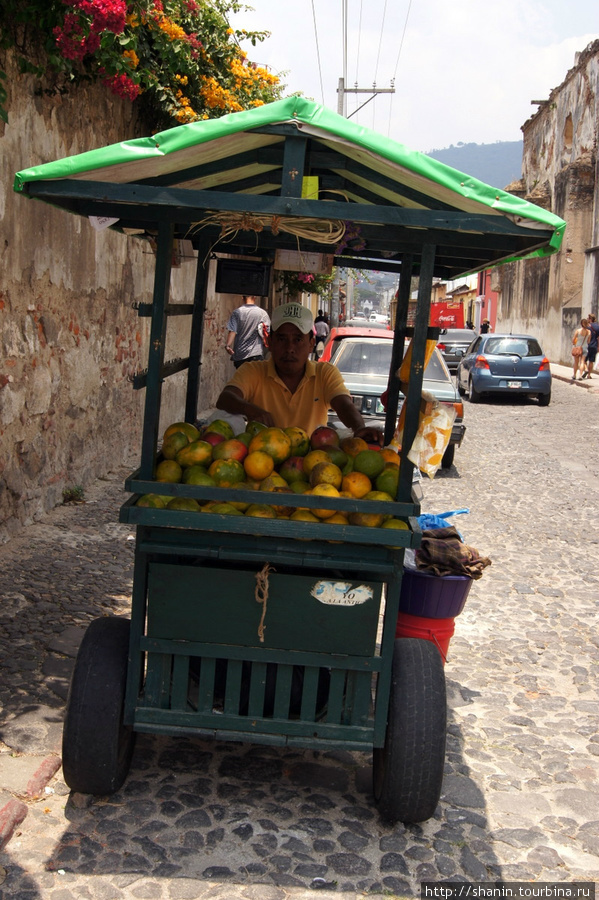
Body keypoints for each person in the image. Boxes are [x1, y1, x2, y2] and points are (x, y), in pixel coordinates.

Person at [216, 302, 383, 443]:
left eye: (297, 340)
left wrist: (359, 428)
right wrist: (252, 410)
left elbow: (344, 405)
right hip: (262, 460)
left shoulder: (325, 373)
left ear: (311, 344)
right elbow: (226, 398)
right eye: (282, 339)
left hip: (312, 464)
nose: (289, 349)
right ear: (270, 342)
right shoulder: (253, 370)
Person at [225, 295, 270, 368]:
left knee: (242, 378)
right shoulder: (262, 314)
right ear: (255, 297)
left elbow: (232, 331)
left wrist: (228, 346)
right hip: (256, 354)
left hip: (240, 355)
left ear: (242, 298)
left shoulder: (237, 313)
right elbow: (267, 332)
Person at [582, 313, 599, 379]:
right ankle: (589, 375)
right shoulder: (597, 327)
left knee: (583, 360)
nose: (587, 319)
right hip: (594, 345)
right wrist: (598, 346)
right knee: (591, 361)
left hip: (586, 345)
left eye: (588, 318)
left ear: (590, 319)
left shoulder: (587, 326)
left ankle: (586, 369)